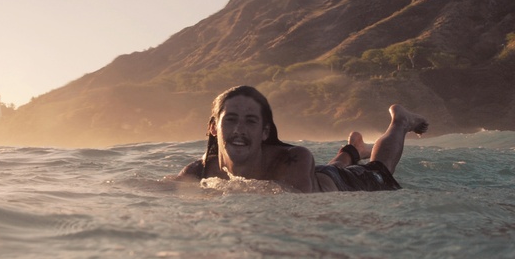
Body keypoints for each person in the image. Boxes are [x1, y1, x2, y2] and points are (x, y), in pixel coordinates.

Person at [176, 85, 428, 193]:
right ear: (213, 127)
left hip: (339, 184)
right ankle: (354, 149)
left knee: (379, 171)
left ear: (265, 132)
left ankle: (400, 121)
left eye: (251, 121)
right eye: (230, 119)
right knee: (327, 170)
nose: (239, 129)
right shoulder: (201, 169)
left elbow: (300, 207)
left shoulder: (296, 159)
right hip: (319, 177)